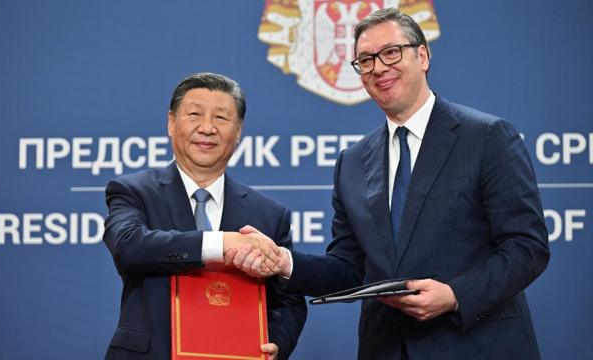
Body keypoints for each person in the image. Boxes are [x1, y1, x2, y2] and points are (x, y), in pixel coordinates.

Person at [233, 8, 550, 360]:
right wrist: (284, 262)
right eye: (365, 60)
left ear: (423, 56)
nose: (379, 67)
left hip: (476, 344)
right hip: (385, 348)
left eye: (391, 52)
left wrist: (455, 294)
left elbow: (526, 246)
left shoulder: (487, 136)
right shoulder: (351, 163)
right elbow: (349, 268)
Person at [103, 72, 306, 360]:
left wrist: (276, 342)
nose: (207, 128)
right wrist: (221, 243)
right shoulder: (133, 191)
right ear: (171, 123)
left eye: (221, 118)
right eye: (195, 114)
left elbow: (288, 299)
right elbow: (129, 247)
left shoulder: (269, 214)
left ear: (238, 131)